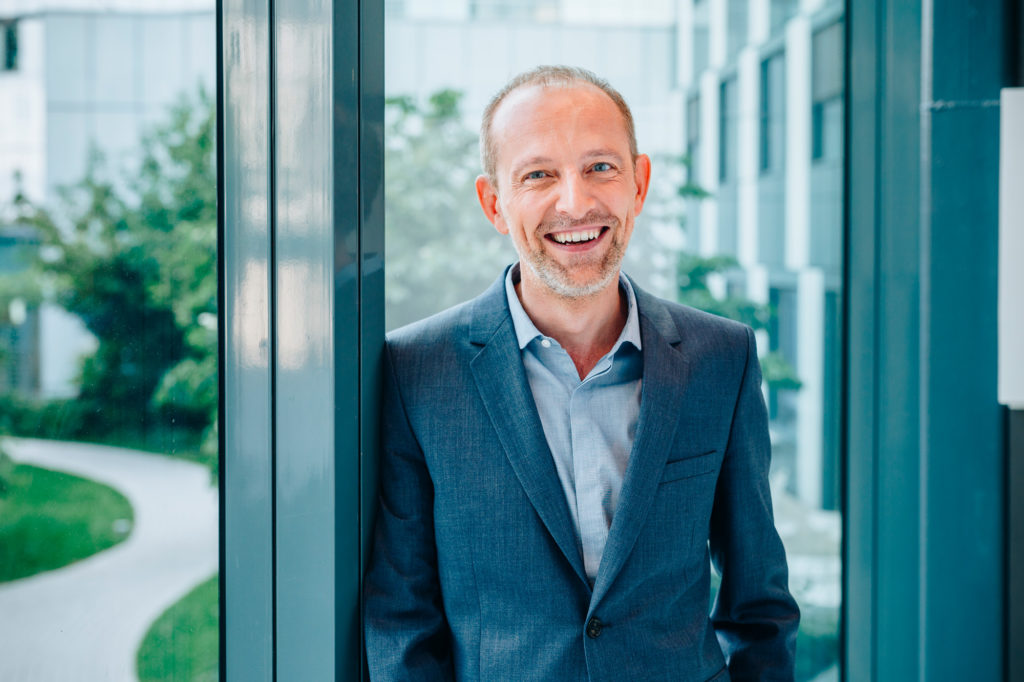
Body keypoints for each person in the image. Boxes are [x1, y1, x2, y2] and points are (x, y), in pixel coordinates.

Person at [364, 65, 799, 681]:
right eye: (539, 175)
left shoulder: (720, 357)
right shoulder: (416, 370)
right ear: (495, 202)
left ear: (639, 183)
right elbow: (402, 622)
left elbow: (759, 605)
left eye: (601, 167)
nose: (576, 202)